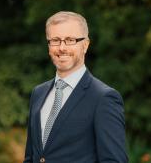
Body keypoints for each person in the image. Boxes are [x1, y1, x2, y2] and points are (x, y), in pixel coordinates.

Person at [23, 11, 128, 163]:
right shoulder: (38, 93)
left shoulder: (103, 98)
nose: (62, 48)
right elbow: (31, 157)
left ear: (85, 45)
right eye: (55, 40)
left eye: (70, 40)